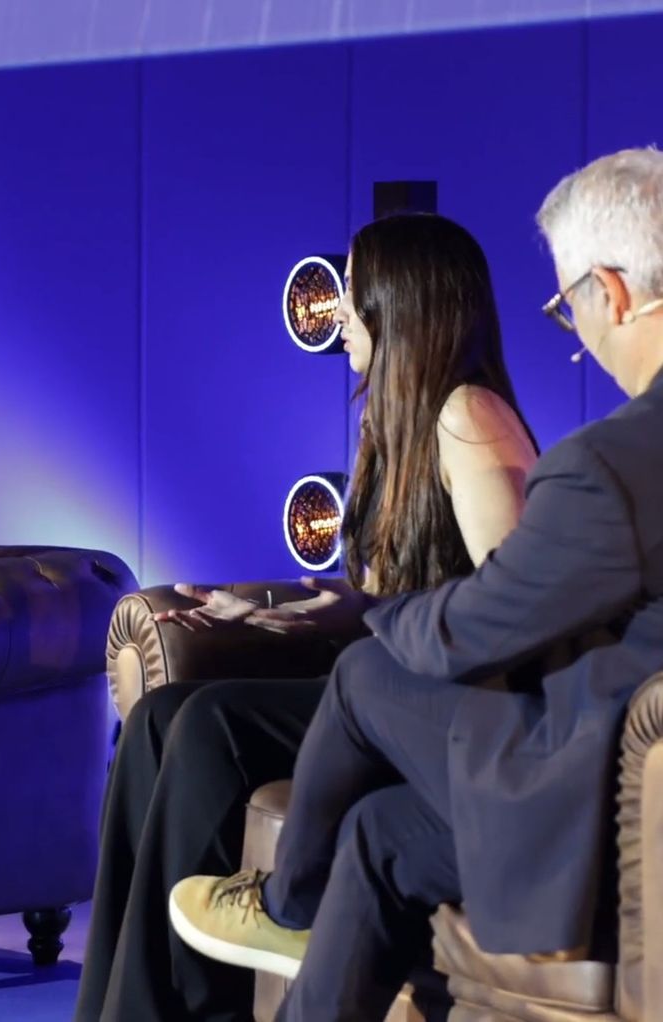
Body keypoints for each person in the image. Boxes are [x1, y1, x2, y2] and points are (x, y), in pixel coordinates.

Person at [169, 147, 663, 1020]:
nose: (579, 337)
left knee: (363, 676)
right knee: (378, 836)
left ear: (613, 293)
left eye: (568, 307)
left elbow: (477, 626)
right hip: (612, 771)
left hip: (614, 809)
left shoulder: (613, 463)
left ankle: (284, 909)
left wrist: (374, 613)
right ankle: (290, 915)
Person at [75, 213, 539, 1020]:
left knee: (211, 727)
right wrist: (289, 608)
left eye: (355, 292)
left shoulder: (469, 415)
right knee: (157, 718)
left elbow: (511, 608)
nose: (340, 310)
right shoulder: (389, 422)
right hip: (384, 676)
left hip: (440, 709)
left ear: (403, 304)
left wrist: (368, 613)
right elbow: (392, 596)